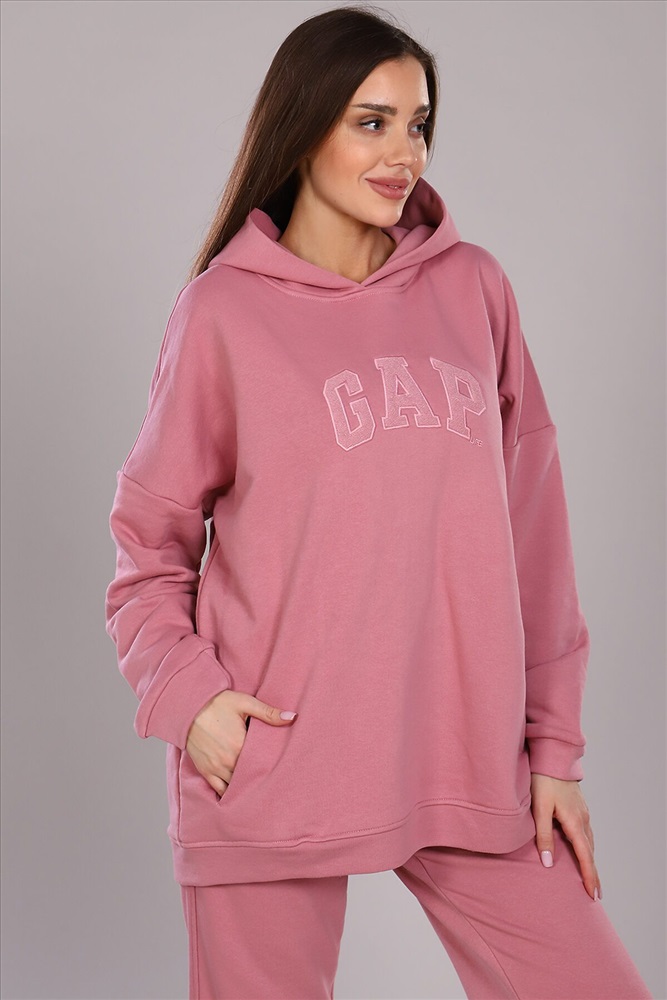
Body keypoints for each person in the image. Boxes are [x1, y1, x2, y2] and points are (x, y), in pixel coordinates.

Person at [104, 5, 653, 998]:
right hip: (270, 762)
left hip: (464, 756)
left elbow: (535, 538)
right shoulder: (222, 313)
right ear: (302, 125)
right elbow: (147, 550)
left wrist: (553, 750)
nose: (404, 153)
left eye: (418, 124)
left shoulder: (473, 289)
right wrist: (193, 703)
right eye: (371, 122)